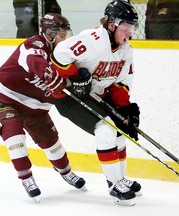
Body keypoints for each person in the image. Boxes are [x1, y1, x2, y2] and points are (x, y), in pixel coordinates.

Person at [50, 0, 141, 206]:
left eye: (132, 27)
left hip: (96, 93)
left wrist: (125, 111)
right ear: (111, 24)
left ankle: (121, 178)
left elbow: (120, 84)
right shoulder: (92, 40)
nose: (130, 32)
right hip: (69, 96)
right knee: (105, 130)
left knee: (120, 130)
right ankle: (114, 183)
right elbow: (58, 54)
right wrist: (76, 78)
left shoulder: (126, 50)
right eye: (126, 26)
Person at [0, 13, 86, 202]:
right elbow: (35, 61)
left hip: (37, 107)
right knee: (14, 135)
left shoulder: (64, 54)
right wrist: (49, 75)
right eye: (61, 35)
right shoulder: (33, 45)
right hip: (7, 98)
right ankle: (26, 177)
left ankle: (66, 172)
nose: (64, 39)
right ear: (49, 33)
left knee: (52, 143)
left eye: (66, 35)